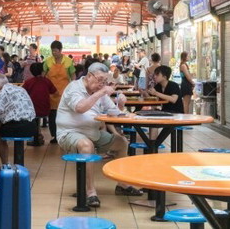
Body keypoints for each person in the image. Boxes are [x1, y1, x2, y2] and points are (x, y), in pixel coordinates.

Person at [56, 62, 142, 208]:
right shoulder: (74, 88)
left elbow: (114, 112)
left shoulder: (99, 90)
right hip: (69, 133)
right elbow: (80, 107)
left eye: (104, 81)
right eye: (100, 80)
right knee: (86, 145)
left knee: (121, 142)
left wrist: (121, 106)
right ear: (89, 76)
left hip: (93, 133)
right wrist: (101, 92)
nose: (102, 84)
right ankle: (90, 192)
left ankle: (122, 185)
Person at [0, 74, 36, 163]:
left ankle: (0, 162)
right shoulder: (20, 89)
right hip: (32, 126)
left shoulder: (3, 91)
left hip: (19, 127)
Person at [43, 40, 76, 144]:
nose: (54, 53)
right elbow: (43, 75)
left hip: (64, 93)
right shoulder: (47, 61)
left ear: (61, 50)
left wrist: (73, 87)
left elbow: (73, 76)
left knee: (64, 114)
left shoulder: (68, 61)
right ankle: (54, 136)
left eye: (56, 51)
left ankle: (64, 134)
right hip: (51, 93)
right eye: (52, 51)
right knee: (52, 115)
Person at [22, 62, 57, 146]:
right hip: (45, 109)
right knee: (53, 113)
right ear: (42, 71)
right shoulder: (46, 81)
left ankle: (35, 137)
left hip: (33, 110)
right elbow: (55, 92)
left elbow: (22, 92)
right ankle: (53, 136)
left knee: (34, 118)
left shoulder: (28, 82)